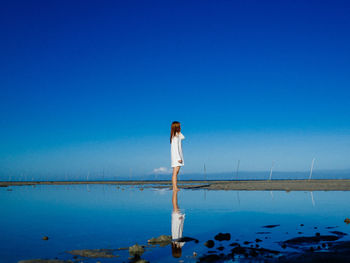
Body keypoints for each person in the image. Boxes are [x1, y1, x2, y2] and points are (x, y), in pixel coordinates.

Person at [170, 121, 185, 191]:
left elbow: (183, 137)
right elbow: (176, 148)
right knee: (175, 172)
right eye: (179, 126)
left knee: (176, 172)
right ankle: (174, 187)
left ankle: (175, 187)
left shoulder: (176, 135)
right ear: (177, 127)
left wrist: (179, 132)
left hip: (176, 156)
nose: (181, 127)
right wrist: (179, 158)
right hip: (177, 157)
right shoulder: (175, 137)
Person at [171, 189, 185, 258]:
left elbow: (179, 231)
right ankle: (175, 189)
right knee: (175, 204)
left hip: (178, 221)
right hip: (176, 222)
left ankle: (175, 191)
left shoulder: (180, 244)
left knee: (175, 204)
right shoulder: (173, 243)